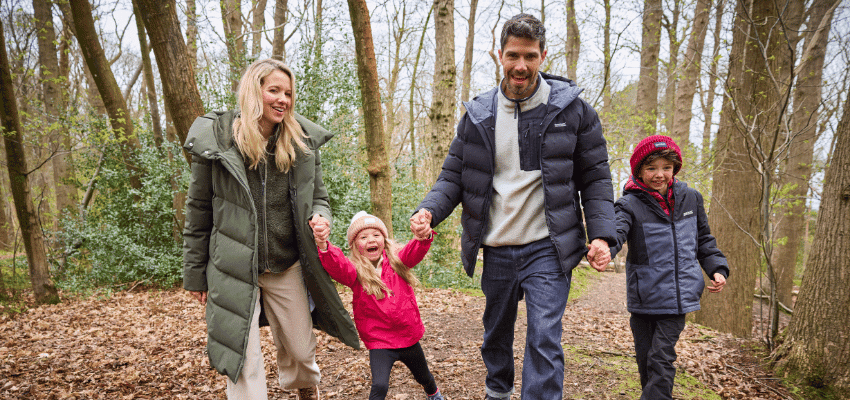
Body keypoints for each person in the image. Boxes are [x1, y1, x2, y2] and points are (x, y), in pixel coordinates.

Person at [410, 13, 615, 400]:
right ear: (499, 55)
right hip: (499, 247)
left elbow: (596, 179)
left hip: (549, 247)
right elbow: (453, 176)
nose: (521, 65)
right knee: (497, 333)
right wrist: (429, 211)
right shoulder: (478, 115)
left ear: (543, 56)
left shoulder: (574, 112)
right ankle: (498, 391)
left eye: (531, 56)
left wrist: (603, 235)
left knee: (543, 337)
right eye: (513, 55)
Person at [182, 58, 359, 400]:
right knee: (242, 357)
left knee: (301, 349)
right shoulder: (216, 144)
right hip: (232, 266)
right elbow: (198, 211)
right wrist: (195, 274)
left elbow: (320, 199)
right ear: (254, 92)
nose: (283, 99)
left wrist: (322, 218)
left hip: (285, 262)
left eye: (288, 93)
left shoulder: (300, 143)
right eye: (274, 90)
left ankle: (304, 385)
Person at [611, 135, 729, 400]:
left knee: (661, 358)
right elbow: (616, 231)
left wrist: (717, 268)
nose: (659, 175)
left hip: (679, 297)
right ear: (639, 170)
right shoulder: (629, 204)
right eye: (651, 168)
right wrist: (605, 249)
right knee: (646, 360)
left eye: (666, 167)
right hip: (644, 296)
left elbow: (704, 240)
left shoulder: (692, 199)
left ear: (675, 167)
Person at [312, 211, 445, 400]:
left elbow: (415, 250)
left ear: (384, 239)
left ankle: (433, 392)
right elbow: (338, 265)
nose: (370, 240)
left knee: (423, 376)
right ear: (356, 246)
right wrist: (323, 245)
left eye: (376, 235)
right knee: (380, 385)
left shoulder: (398, 261)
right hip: (380, 340)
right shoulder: (355, 272)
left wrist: (423, 237)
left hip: (407, 335)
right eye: (363, 237)